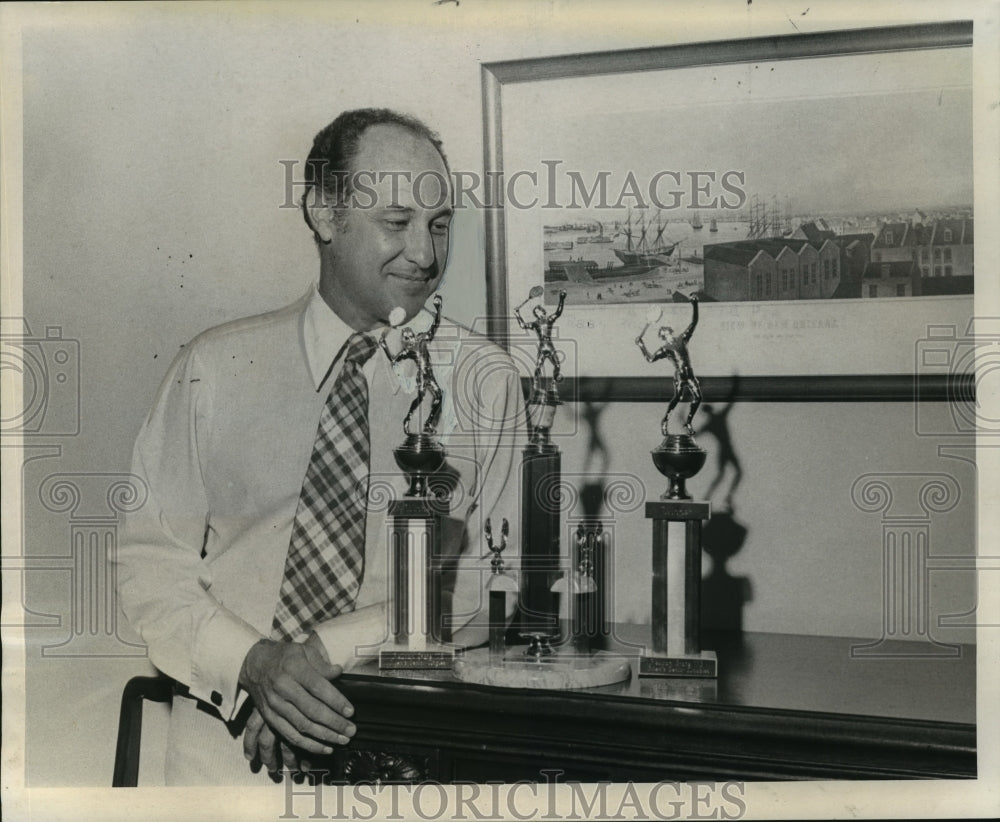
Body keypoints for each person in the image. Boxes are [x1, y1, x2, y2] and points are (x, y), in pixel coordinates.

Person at [115, 109, 525, 784]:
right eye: (397, 222)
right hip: (223, 757)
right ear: (325, 214)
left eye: (439, 223)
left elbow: (494, 581)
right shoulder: (212, 368)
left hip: (403, 761)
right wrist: (256, 668)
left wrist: (318, 656)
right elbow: (150, 564)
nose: (425, 254)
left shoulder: (487, 382)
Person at [635, 297, 702, 436]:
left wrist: (695, 304)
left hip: (690, 374)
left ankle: (688, 422)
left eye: (666, 330)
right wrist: (642, 346)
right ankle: (665, 420)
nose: (665, 332)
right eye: (663, 332)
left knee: (698, 397)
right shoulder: (665, 349)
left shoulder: (682, 339)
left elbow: (694, 322)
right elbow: (650, 359)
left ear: (670, 331)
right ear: (662, 336)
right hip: (680, 376)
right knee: (677, 398)